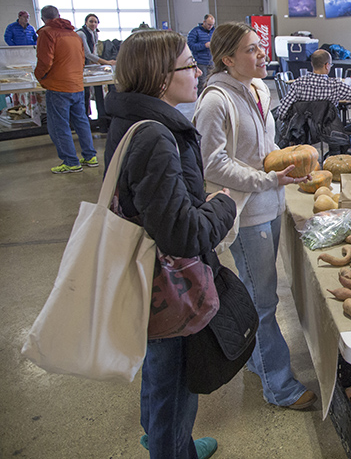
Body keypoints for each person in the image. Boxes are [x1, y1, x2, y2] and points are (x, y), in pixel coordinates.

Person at [104, 30, 236, 459]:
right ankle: (172, 448)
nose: (198, 71)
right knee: (174, 383)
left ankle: (168, 440)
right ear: (161, 78)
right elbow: (181, 235)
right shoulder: (157, 135)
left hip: (146, 274)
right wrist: (223, 205)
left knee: (159, 370)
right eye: (188, 65)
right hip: (168, 282)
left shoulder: (132, 119)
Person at [193, 22, 317, 410]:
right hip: (246, 215)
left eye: (261, 47)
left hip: (272, 204)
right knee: (262, 302)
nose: (262, 54)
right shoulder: (215, 101)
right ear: (228, 59)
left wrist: (291, 160)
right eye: (251, 50)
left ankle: (255, 359)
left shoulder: (260, 88)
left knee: (261, 293)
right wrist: (265, 179)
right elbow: (211, 165)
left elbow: (264, 146)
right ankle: (279, 387)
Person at [276, 49, 351, 154]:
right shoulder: (334, 85)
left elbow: (282, 111)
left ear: (312, 65)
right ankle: (336, 158)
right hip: (328, 133)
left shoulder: (298, 84)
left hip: (302, 133)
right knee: (339, 129)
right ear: (327, 65)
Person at [33, 5, 98, 174]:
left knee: (58, 126)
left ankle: (70, 162)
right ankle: (90, 156)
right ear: (59, 16)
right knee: (81, 121)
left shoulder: (46, 33)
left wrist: (39, 77)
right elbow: (82, 57)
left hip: (58, 87)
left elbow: (45, 61)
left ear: (42, 19)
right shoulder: (73, 34)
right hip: (76, 85)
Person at [76, 13, 116, 130]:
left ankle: (102, 120)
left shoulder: (94, 33)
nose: (93, 24)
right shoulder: (81, 34)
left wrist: (98, 63)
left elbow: (94, 51)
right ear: (86, 22)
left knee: (97, 91)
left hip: (90, 66)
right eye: (91, 21)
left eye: (95, 22)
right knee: (85, 94)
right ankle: (84, 121)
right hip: (81, 66)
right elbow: (87, 53)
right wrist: (106, 62)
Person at [187, 14, 215, 91]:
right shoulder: (195, 31)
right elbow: (190, 45)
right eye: (209, 24)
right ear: (204, 22)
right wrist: (204, 45)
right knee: (202, 83)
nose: (210, 27)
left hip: (212, 61)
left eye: (212, 25)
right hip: (201, 61)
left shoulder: (214, 31)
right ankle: (201, 100)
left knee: (212, 82)